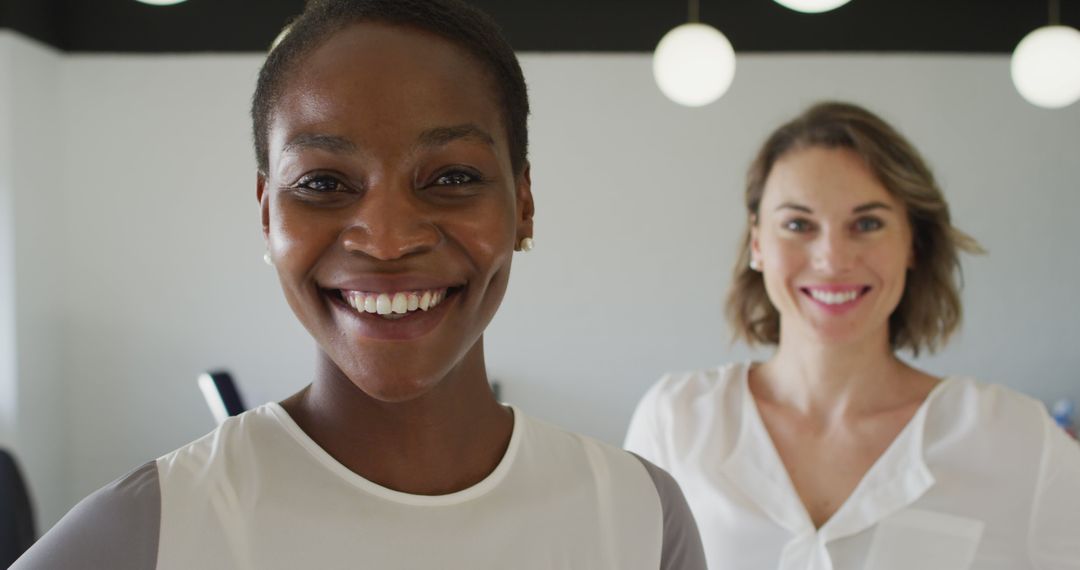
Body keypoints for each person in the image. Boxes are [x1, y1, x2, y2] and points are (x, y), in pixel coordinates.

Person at [15, 1, 705, 568]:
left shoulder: (638, 516)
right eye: (322, 183)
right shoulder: (155, 529)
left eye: (452, 178)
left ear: (523, 203)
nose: (386, 237)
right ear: (266, 216)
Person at [625, 101, 1080, 570]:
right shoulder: (676, 421)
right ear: (758, 243)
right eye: (798, 224)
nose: (832, 258)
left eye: (867, 224)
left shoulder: (1017, 438)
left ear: (913, 243)